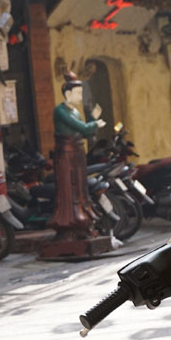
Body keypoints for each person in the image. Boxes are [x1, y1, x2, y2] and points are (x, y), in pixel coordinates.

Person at [48, 72, 106, 239]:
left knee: (80, 188)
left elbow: (85, 131)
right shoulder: (60, 111)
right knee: (68, 188)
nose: (80, 98)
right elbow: (83, 128)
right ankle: (69, 223)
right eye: (78, 94)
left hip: (78, 153)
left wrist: (92, 119)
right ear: (68, 94)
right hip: (66, 154)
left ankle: (82, 221)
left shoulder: (75, 112)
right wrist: (94, 123)